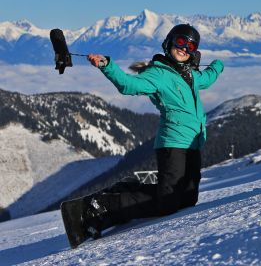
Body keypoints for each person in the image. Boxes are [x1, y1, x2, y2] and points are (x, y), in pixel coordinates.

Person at [60, 24, 224, 248]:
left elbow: (207, 78)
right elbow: (129, 85)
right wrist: (107, 65)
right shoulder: (158, 74)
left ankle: (127, 189)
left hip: (193, 143)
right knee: (167, 202)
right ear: (169, 42)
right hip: (173, 142)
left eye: (190, 45)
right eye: (180, 42)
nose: (184, 48)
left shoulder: (191, 75)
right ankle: (101, 206)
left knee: (188, 198)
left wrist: (218, 65)